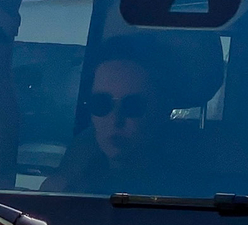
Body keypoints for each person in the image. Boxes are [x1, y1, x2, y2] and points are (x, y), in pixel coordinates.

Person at [43, 50, 161, 192]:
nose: (115, 119)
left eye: (133, 106)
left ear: (159, 111)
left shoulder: (182, 194)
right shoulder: (69, 183)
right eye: (101, 104)